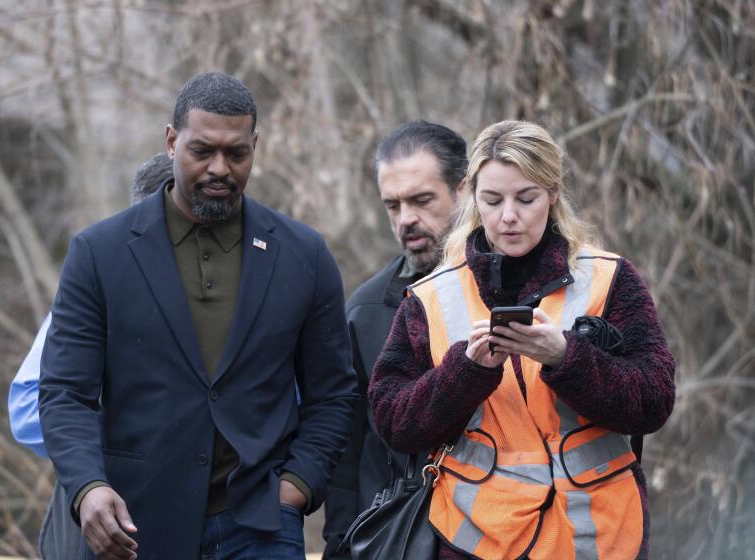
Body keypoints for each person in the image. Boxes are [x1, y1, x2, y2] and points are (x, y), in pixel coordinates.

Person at [38, 72, 356, 560]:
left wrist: (297, 486)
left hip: (261, 527)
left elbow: (333, 393)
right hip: (132, 528)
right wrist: (88, 488)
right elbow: (64, 393)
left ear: (255, 146)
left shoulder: (304, 255)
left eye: (236, 153)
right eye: (201, 150)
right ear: (171, 141)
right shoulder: (98, 252)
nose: (219, 168)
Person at [369, 120, 676, 560]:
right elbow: (392, 420)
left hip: (602, 538)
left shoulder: (610, 279)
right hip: (474, 541)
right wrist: (467, 371)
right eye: (492, 200)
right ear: (471, 197)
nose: (507, 216)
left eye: (525, 198)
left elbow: (655, 400)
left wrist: (567, 358)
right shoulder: (431, 295)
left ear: (553, 193)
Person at [7, 153, 172, 559]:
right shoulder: (96, 289)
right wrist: (120, 446)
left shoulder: (248, 288)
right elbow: (28, 408)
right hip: (103, 509)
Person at [322, 120, 466, 558]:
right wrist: (341, 548)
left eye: (422, 200)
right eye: (393, 205)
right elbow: (346, 453)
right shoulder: (366, 311)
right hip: (403, 539)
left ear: (464, 191)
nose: (406, 220)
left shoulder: (519, 291)